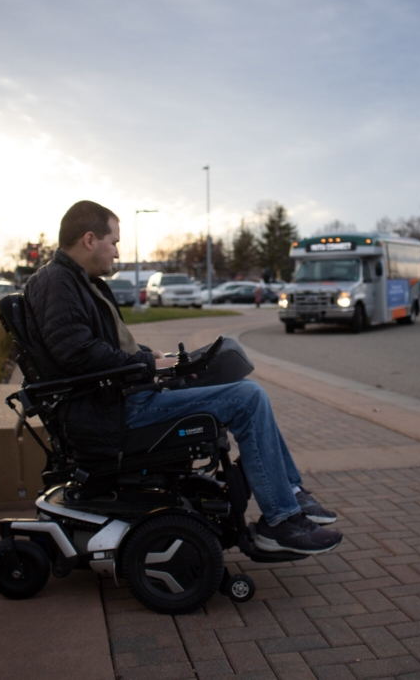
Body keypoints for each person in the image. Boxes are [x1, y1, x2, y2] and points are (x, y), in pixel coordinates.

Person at [24, 200, 342, 555]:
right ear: (88, 239)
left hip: (120, 397)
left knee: (227, 381)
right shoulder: (58, 283)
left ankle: (291, 494)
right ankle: (281, 519)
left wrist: (151, 356)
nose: (117, 251)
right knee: (247, 398)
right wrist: (146, 364)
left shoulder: (76, 281)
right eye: (113, 241)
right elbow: (76, 353)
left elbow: (96, 344)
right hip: (113, 412)